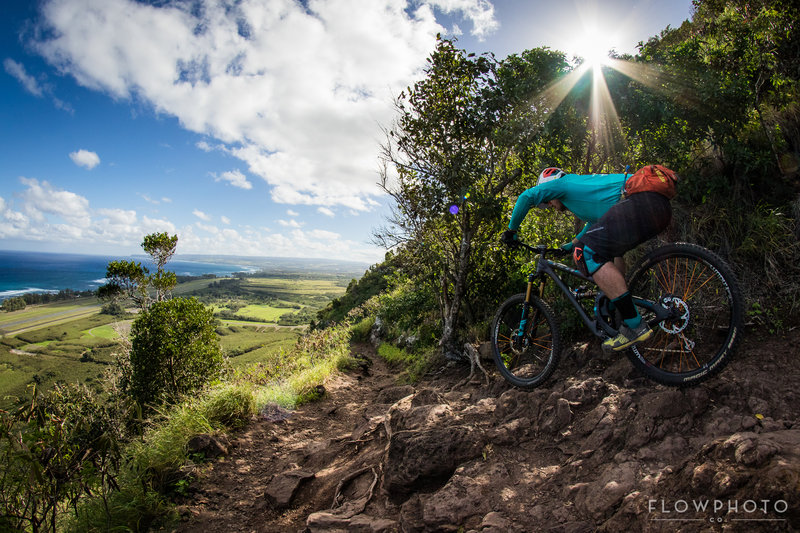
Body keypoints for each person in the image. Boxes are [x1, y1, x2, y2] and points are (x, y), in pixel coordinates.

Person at [500, 167, 673, 351]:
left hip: (637, 204)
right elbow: (595, 224)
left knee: (584, 253)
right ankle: (620, 303)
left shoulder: (562, 184)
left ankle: (634, 324)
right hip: (658, 208)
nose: (550, 205)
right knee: (610, 251)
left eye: (547, 201)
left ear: (550, 188)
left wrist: (511, 231)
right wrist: (568, 246)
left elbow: (525, 197)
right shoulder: (583, 186)